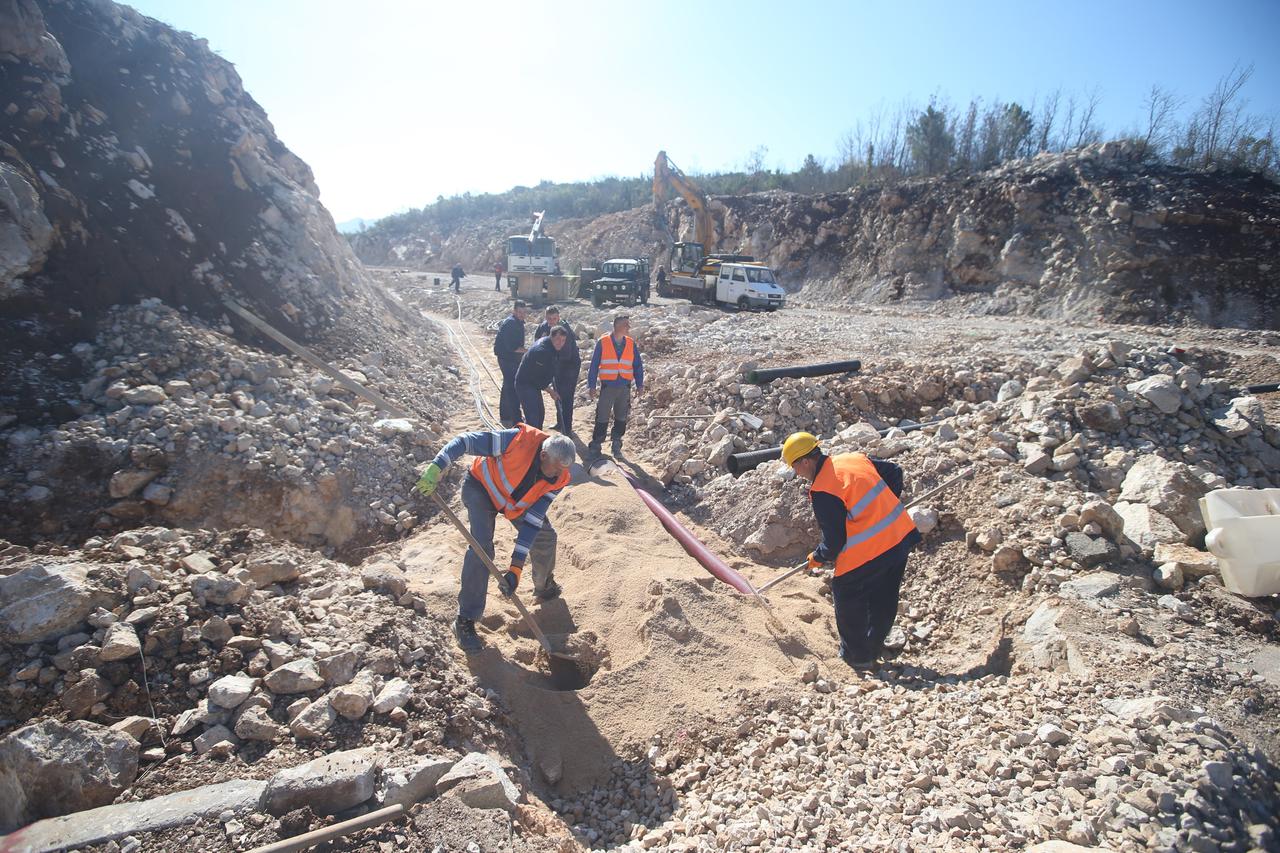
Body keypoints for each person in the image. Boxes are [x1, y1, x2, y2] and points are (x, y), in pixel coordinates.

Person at [416, 428, 576, 653]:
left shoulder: (561, 477)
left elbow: (532, 521)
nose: (557, 476)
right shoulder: (516, 440)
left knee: (545, 537)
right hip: (481, 487)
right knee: (482, 548)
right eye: (555, 469)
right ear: (543, 455)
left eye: (562, 471)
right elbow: (465, 440)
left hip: (513, 503)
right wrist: (437, 466)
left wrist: (515, 569)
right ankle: (465, 620)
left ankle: (544, 585)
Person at [782, 432, 921, 671]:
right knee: (884, 594)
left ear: (805, 461)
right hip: (899, 537)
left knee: (846, 590)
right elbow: (894, 472)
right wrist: (883, 509)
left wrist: (818, 557)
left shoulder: (824, 489)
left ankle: (857, 656)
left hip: (872, 549)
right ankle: (874, 646)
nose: (796, 473)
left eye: (795, 466)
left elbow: (835, 541)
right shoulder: (853, 459)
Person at [586, 314, 644, 458]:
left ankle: (616, 444)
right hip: (608, 386)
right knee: (602, 416)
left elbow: (637, 365)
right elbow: (594, 365)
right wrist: (591, 385)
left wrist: (640, 384)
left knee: (621, 417)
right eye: (626, 325)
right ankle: (596, 445)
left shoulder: (630, 343)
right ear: (617, 326)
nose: (629, 327)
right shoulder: (603, 342)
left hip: (624, 386)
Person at [534, 306, 581, 433]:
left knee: (566, 397)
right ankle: (560, 422)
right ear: (545, 318)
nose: (552, 321)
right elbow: (536, 342)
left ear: (558, 317)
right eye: (549, 319)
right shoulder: (543, 327)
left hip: (569, 366)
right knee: (557, 394)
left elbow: (566, 353)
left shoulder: (564, 329)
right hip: (556, 365)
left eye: (554, 318)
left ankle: (567, 427)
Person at [514, 327, 568, 429]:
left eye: (563, 340)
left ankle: (537, 440)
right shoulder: (542, 351)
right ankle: (531, 442)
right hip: (525, 384)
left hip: (533, 385)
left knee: (540, 415)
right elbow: (536, 378)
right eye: (557, 339)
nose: (560, 343)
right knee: (533, 419)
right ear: (551, 337)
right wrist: (551, 391)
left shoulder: (550, 346)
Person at [494, 301, 528, 427]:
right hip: (506, 358)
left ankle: (505, 415)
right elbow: (512, 347)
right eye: (519, 312)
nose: (522, 314)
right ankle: (516, 419)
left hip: (511, 358)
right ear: (514, 311)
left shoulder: (518, 322)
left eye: (524, 312)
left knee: (507, 385)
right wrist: (528, 351)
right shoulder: (511, 324)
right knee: (512, 386)